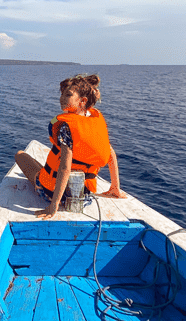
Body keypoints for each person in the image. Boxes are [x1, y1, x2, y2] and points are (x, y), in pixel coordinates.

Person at [14, 74, 125, 219]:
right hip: (85, 196)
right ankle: (115, 189)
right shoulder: (94, 121)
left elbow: (65, 168)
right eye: (61, 94)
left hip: (53, 193)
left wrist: (54, 205)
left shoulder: (67, 127)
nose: (62, 98)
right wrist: (115, 188)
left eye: (68, 95)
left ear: (82, 101)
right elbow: (110, 155)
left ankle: (46, 186)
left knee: (20, 155)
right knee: (41, 167)